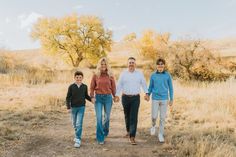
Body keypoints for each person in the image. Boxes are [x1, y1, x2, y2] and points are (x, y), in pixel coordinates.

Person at [114, 57, 149, 145]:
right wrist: (117, 95)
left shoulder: (139, 74)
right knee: (127, 115)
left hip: (135, 98)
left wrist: (146, 93)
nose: (131, 64)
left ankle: (132, 136)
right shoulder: (123, 74)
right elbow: (119, 85)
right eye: (130, 62)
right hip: (125, 97)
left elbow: (144, 84)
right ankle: (128, 131)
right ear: (127, 64)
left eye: (133, 62)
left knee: (133, 116)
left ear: (135, 64)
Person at [90, 57, 116, 145]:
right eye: (102, 64)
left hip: (108, 98)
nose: (103, 66)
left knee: (107, 117)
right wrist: (92, 97)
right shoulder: (95, 75)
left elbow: (113, 87)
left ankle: (105, 131)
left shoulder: (110, 75)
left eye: (105, 64)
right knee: (99, 117)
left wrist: (115, 95)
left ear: (107, 65)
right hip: (98, 98)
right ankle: (100, 137)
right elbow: (92, 87)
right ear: (99, 65)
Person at [147, 58, 173, 143]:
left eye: (162, 64)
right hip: (155, 98)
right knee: (154, 116)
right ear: (157, 66)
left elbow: (171, 88)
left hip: (164, 99)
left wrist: (171, 98)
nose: (160, 66)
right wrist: (148, 94)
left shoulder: (167, 75)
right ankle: (153, 126)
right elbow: (150, 87)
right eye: (159, 65)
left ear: (164, 66)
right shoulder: (153, 75)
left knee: (162, 118)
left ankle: (160, 134)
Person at [66, 71, 92, 148]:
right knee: (74, 123)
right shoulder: (71, 87)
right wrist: (68, 107)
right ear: (74, 78)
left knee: (79, 123)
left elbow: (86, 96)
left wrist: (92, 100)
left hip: (81, 107)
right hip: (73, 108)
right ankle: (77, 134)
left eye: (80, 77)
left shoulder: (84, 86)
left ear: (82, 78)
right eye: (77, 77)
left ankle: (78, 139)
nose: (78, 79)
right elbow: (68, 98)